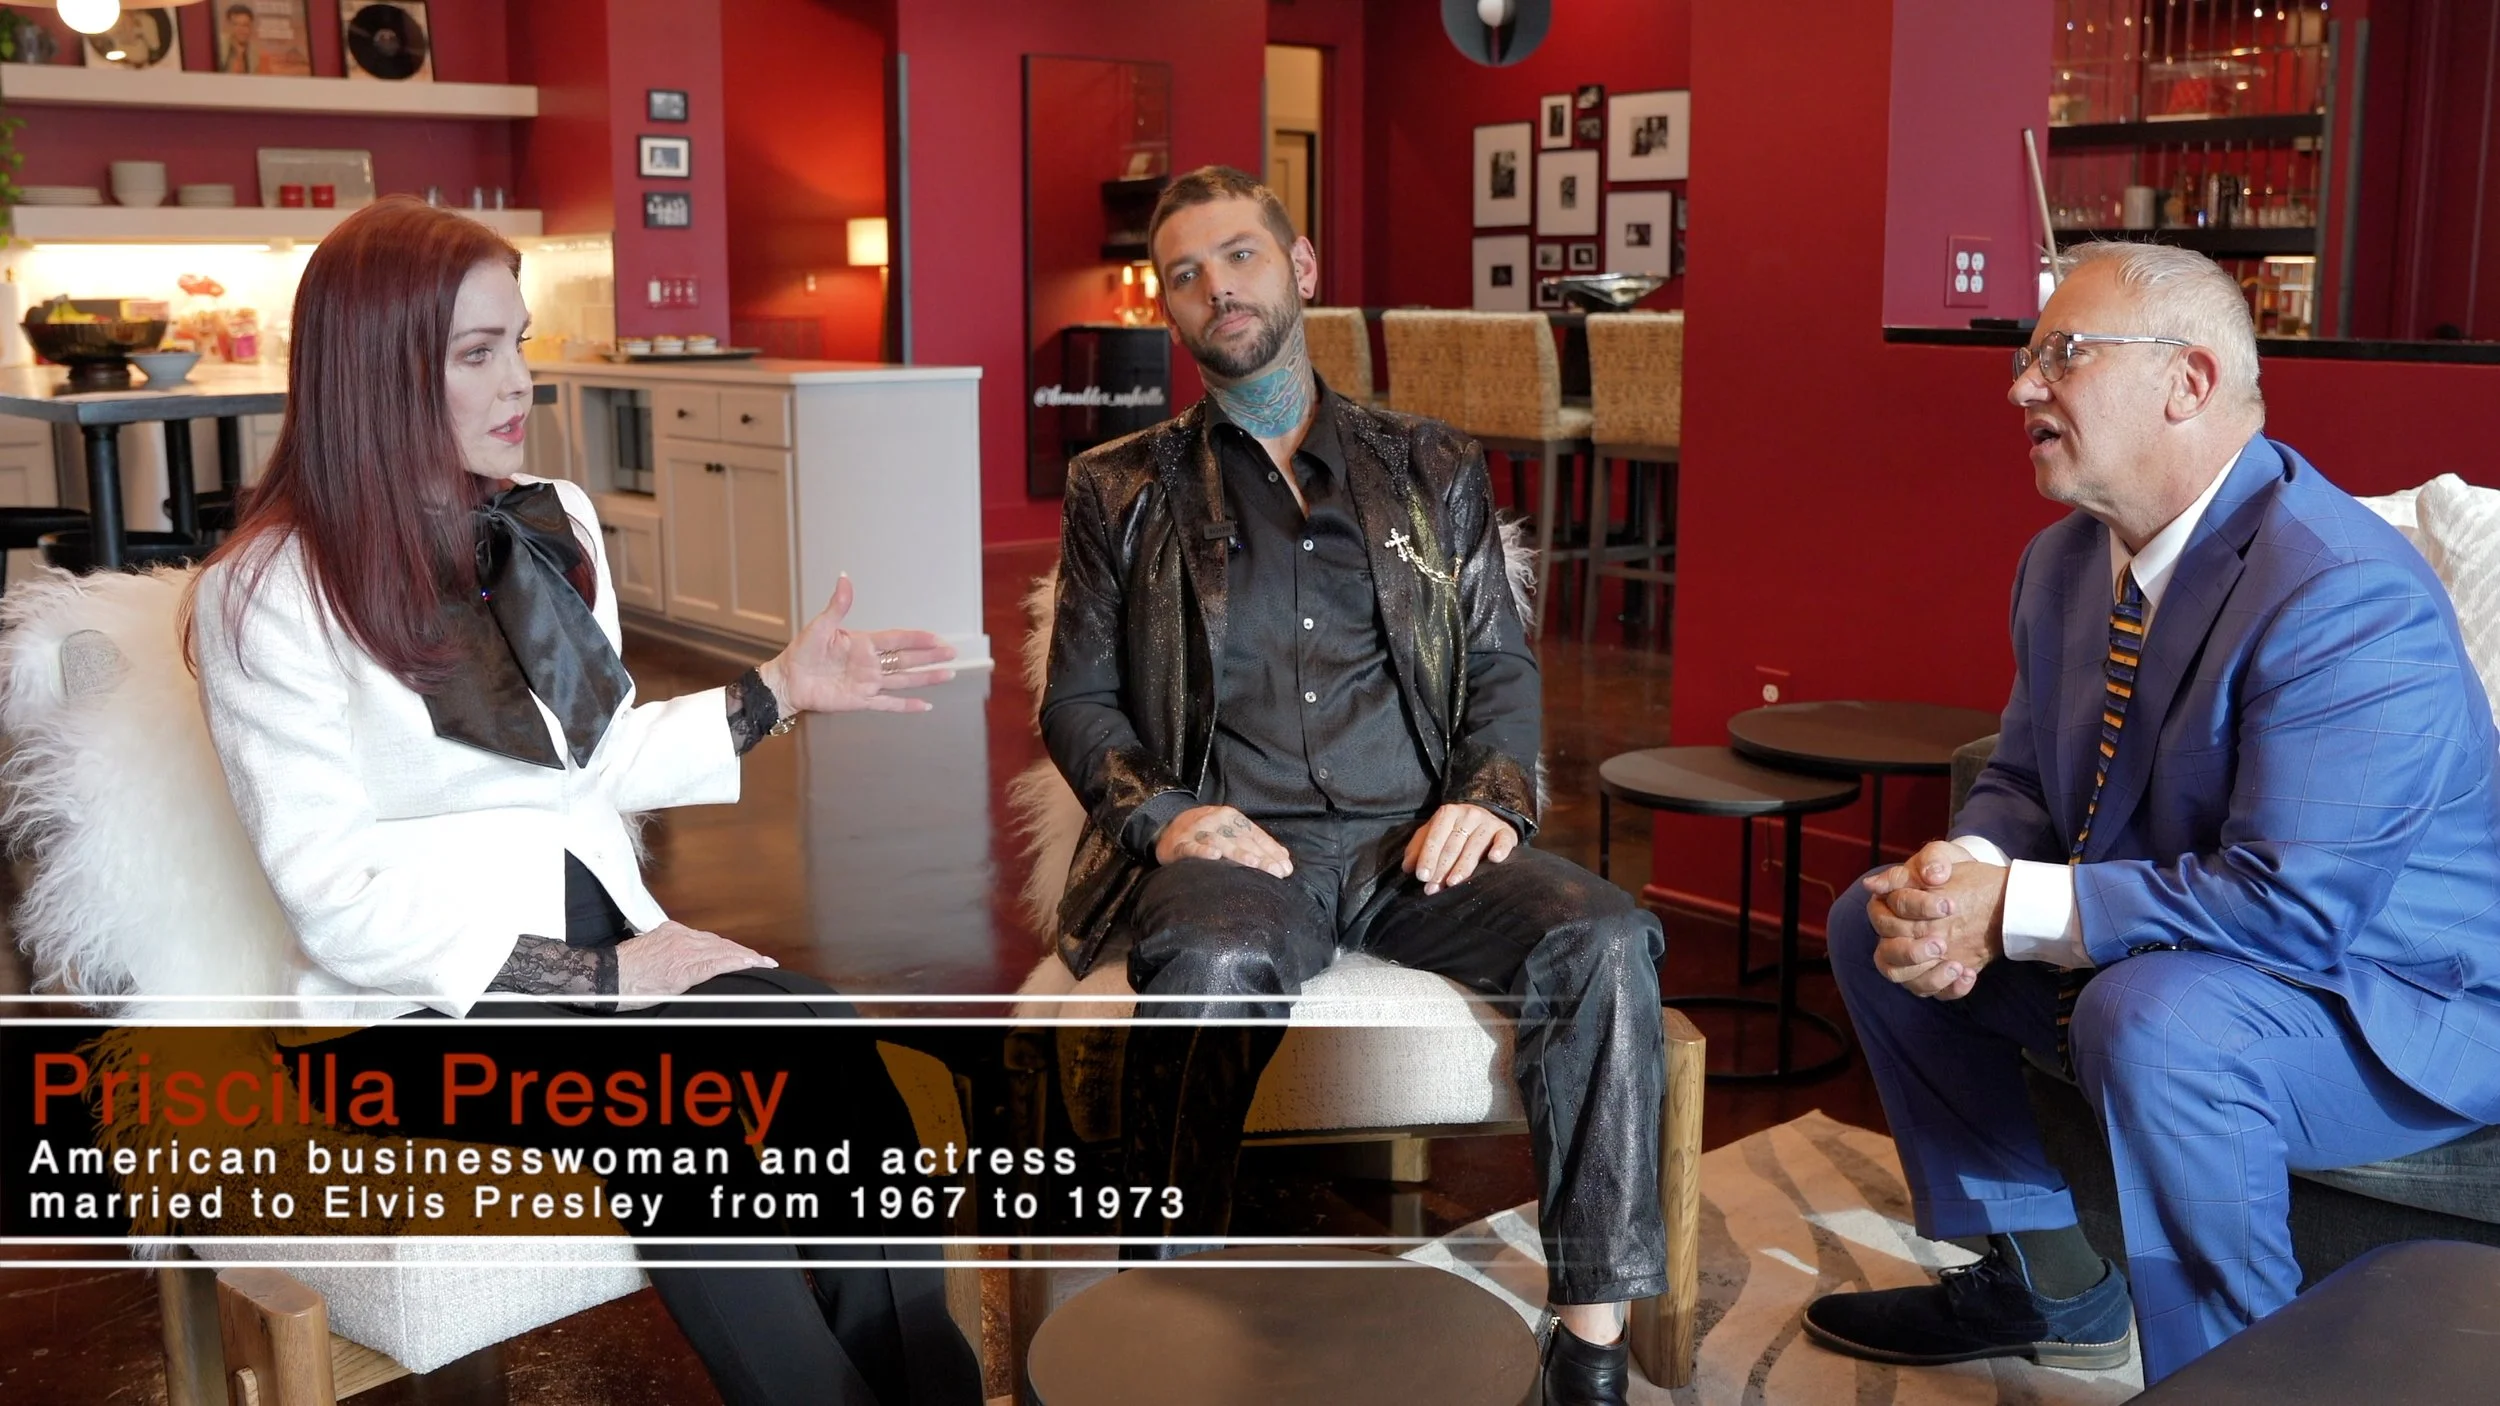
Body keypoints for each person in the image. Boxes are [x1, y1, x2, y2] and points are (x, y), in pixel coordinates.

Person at [186, 196, 981, 1406]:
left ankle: (928, 1388)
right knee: (677, 1107)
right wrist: (606, 984)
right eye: (476, 352)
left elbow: (593, 762)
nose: (522, 380)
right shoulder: (263, 595)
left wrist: (780, 688)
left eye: (518, 340)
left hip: (602, 942)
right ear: (376, 372)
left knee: (813, 1028)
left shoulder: (546, 522)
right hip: (404, 1018)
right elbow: (332, 898)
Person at [1803, 241, 2500, 1383]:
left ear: (2187, 382)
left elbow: (2294, 907)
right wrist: (1963, 872)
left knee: (2153, 1018)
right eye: (2029, 357)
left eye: (2060, 354)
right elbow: (2026, 779)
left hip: (2393, 998)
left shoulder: (2341, 589)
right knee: (1877, 920)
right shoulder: (2061, 564)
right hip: (2193, 952)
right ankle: (2051, 1284)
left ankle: (2238, 1374)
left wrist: (2010, 908)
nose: (2019, 386)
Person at [1039, 166, 1667, 1406]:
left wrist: (1488, 793)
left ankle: (1587, 1348)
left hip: (1414, 844)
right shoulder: (1117, 486)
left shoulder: (1429, 463)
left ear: (1302, 267)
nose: (1217, 285)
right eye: (1184, 271)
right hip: (1240, 854)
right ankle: (1161, 1315)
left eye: (1240, 255)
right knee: (1207, 970)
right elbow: (1077, 698)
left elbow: (1495, 657)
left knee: (1603, 937)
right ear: (1163, 306)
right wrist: (1166, 818)